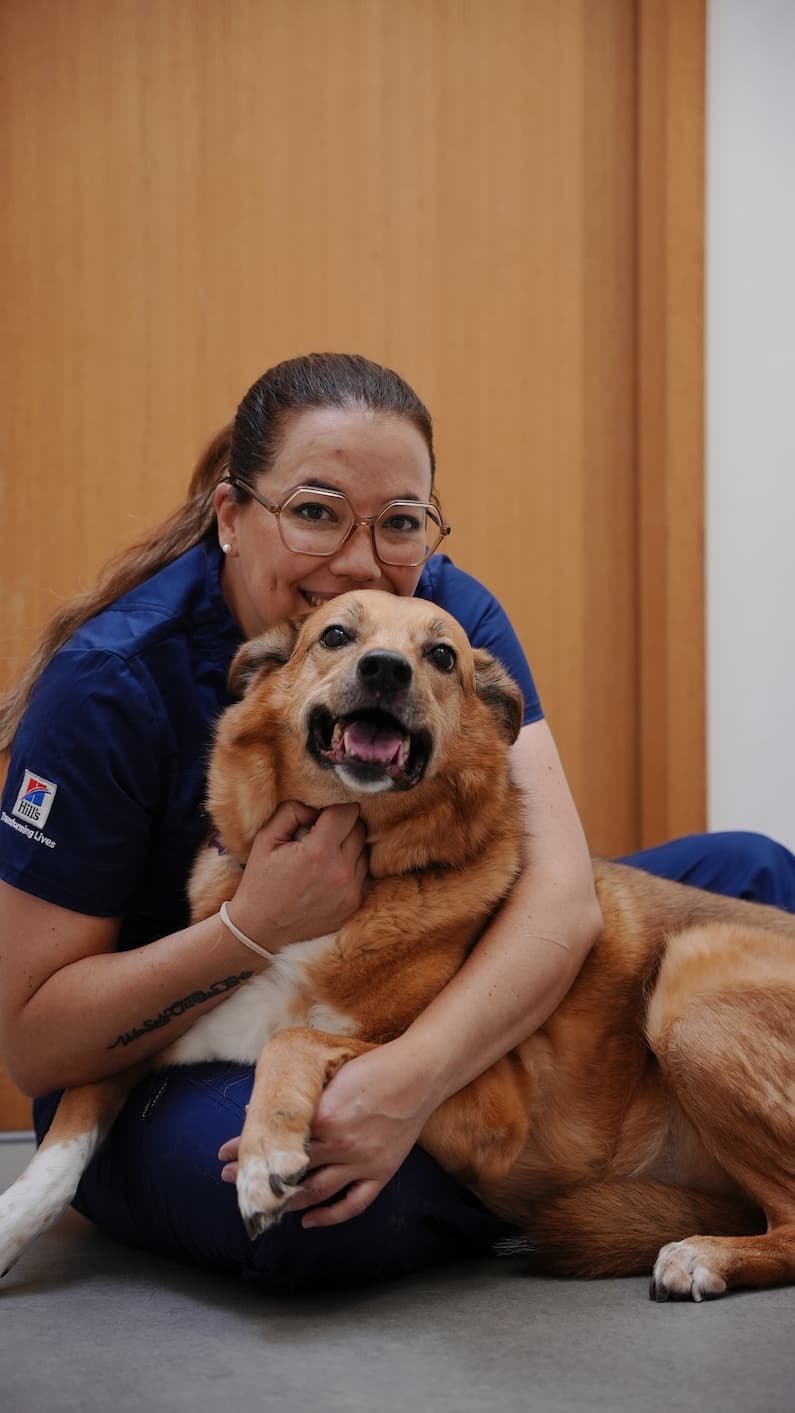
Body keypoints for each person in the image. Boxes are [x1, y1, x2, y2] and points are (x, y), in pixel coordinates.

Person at [0, 353, 793, 1294]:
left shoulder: (440, 614)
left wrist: (410, 1077)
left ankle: (571, 1153)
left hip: (400, 971)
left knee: (751, 869)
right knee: (308, 1206)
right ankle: (539, 1163)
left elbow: (560, 894)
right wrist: (253, 924)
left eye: (401, 523)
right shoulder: (111, 682)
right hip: (169, 1031)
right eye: (315, 511)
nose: (360, 562)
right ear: (231, 517)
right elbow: (36, 1044)